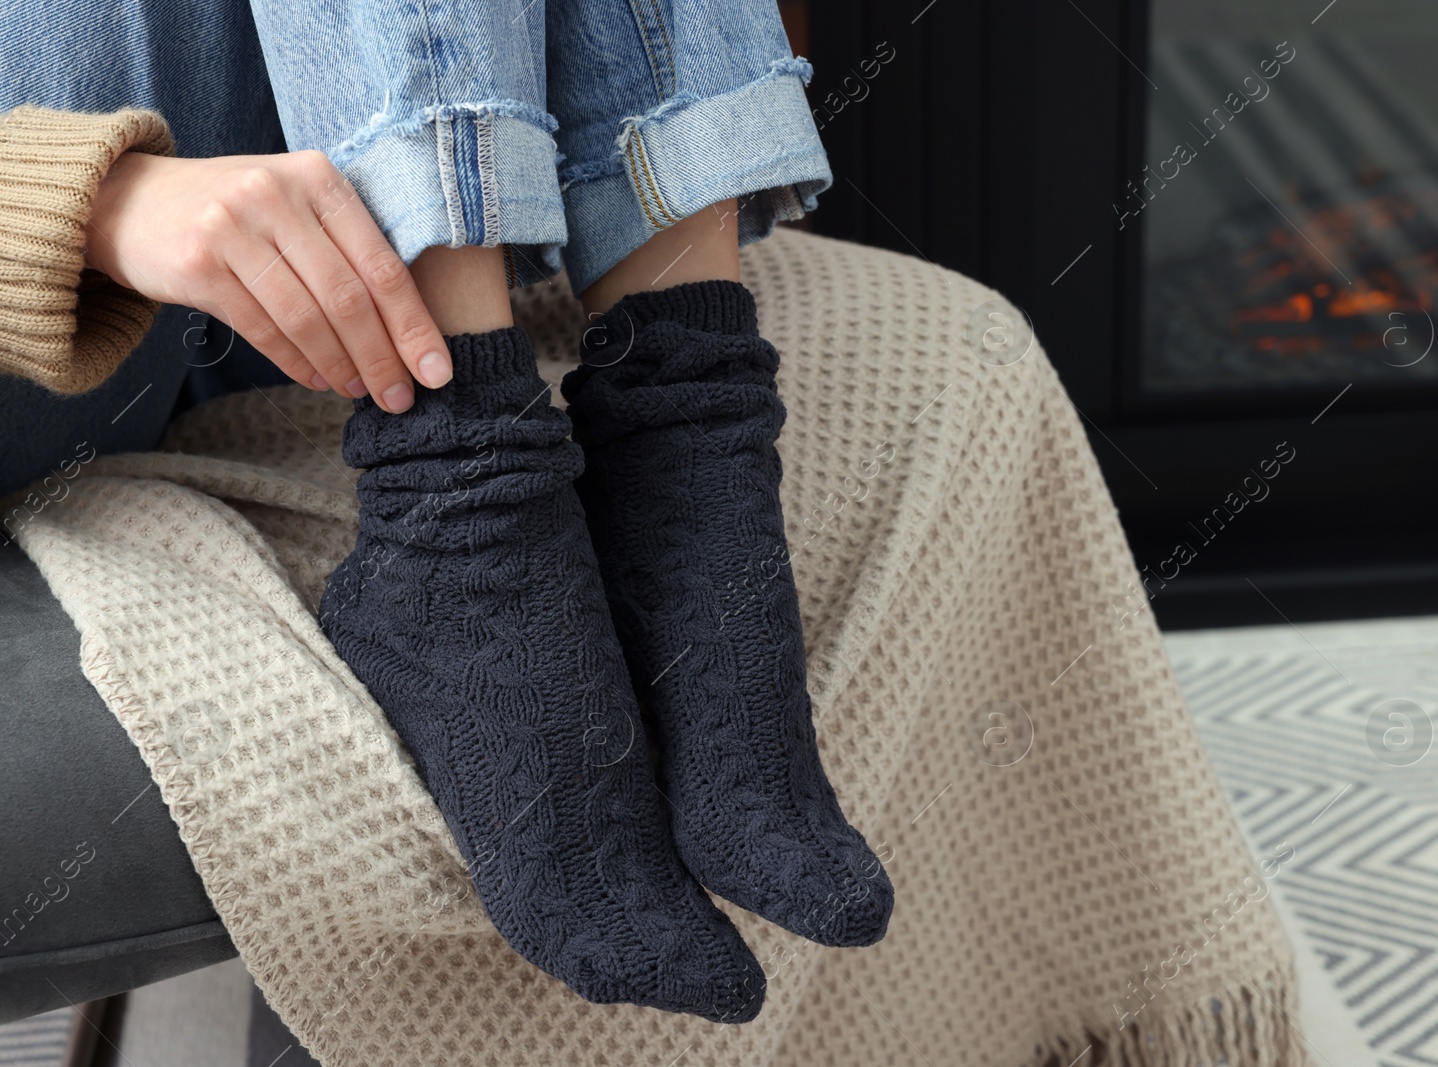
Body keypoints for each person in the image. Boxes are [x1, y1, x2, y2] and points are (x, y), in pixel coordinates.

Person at [0, 0, 892, 1023]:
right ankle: (469, 489)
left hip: (236, 265)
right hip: (42, 299)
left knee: (682, 445)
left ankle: (683, 445)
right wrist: (99, 200)